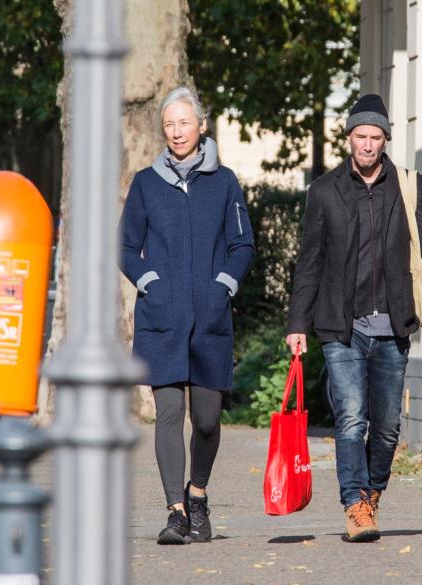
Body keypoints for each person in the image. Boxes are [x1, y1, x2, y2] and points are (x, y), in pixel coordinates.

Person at [286, 94, 422, 543]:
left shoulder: (407, 186)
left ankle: (372, 492)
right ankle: (354, 505)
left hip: (392, 323)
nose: (367, 144)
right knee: (350, 418)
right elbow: (310, 263)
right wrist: (297, 325)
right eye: (360, 136)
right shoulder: (324, 191)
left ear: (385, 140)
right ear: (349, 139)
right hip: (341, 326)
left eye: (375, 137)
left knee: (385, 429)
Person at [119, 86, 254, 545]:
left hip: (211, 320)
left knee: (209, 420)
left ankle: (197, 494)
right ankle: (176, 514)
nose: (177, 132)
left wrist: (224, 286)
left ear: (201, 126)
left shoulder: (225, 182)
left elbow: (242, 245)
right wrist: (148, 281)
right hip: (161, 319)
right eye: (170, 125)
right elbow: (125, 247)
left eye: (184, 123)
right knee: (169, 412)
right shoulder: (146, 183)